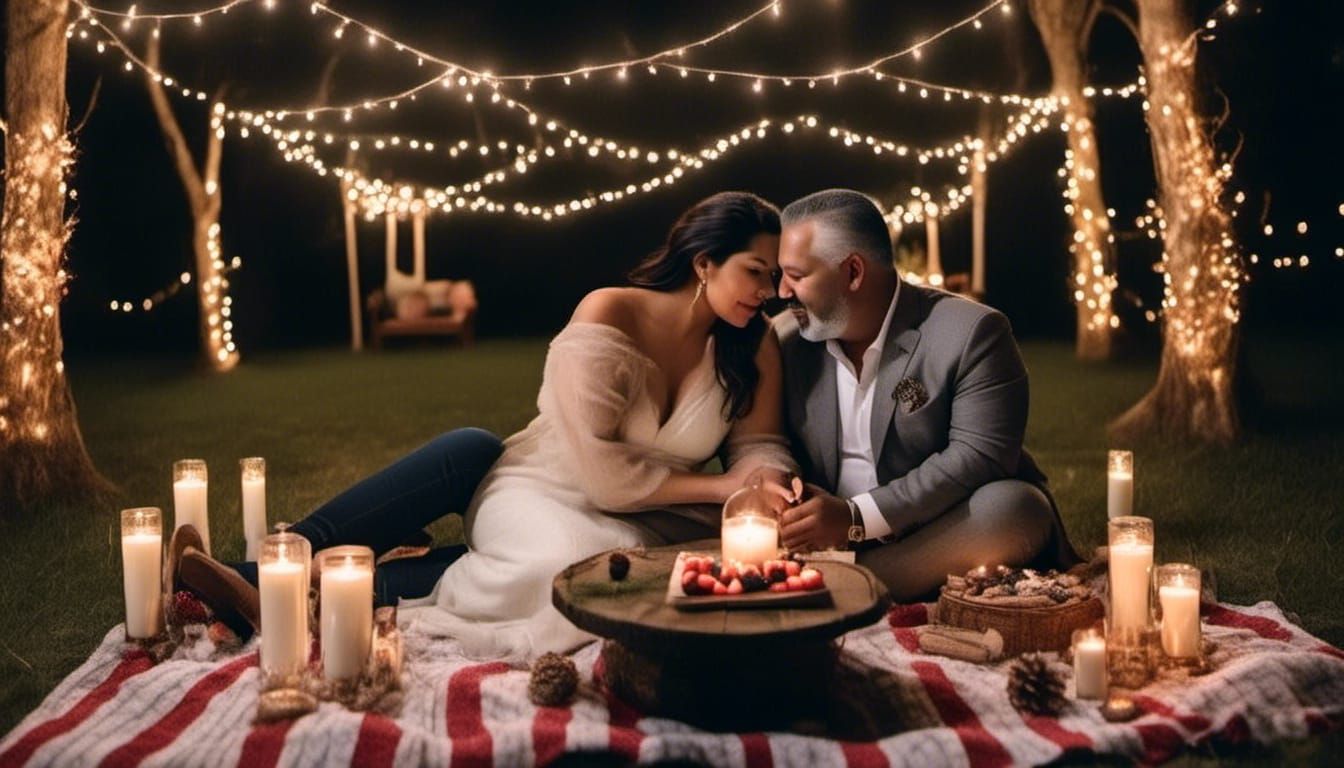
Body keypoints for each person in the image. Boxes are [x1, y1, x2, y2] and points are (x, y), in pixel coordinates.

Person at [174, 191, 796, 658]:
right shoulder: (611, 312)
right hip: (540, 487)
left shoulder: (754, 345)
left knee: (616, 562)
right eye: (755, 270)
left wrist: (765, 481)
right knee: (566, 555)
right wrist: (724, 489)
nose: (767, 291)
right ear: (704, 262)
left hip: (641, 516)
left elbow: (762, 447)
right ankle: (262, 574)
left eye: (775, 276)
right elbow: (604, 476)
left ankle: (320, 589)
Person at [768, 189, 1080, 601]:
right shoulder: (784, 341)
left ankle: (850, 583)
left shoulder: (971, 332)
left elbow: (981, 457)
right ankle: (855, 580)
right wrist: (791, 498)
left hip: (935, 529)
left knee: (1015, 507)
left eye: (797, 276)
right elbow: (768, 439)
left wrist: (856, 518)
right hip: (826, 535)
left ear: (853, 273)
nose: (783, 292)